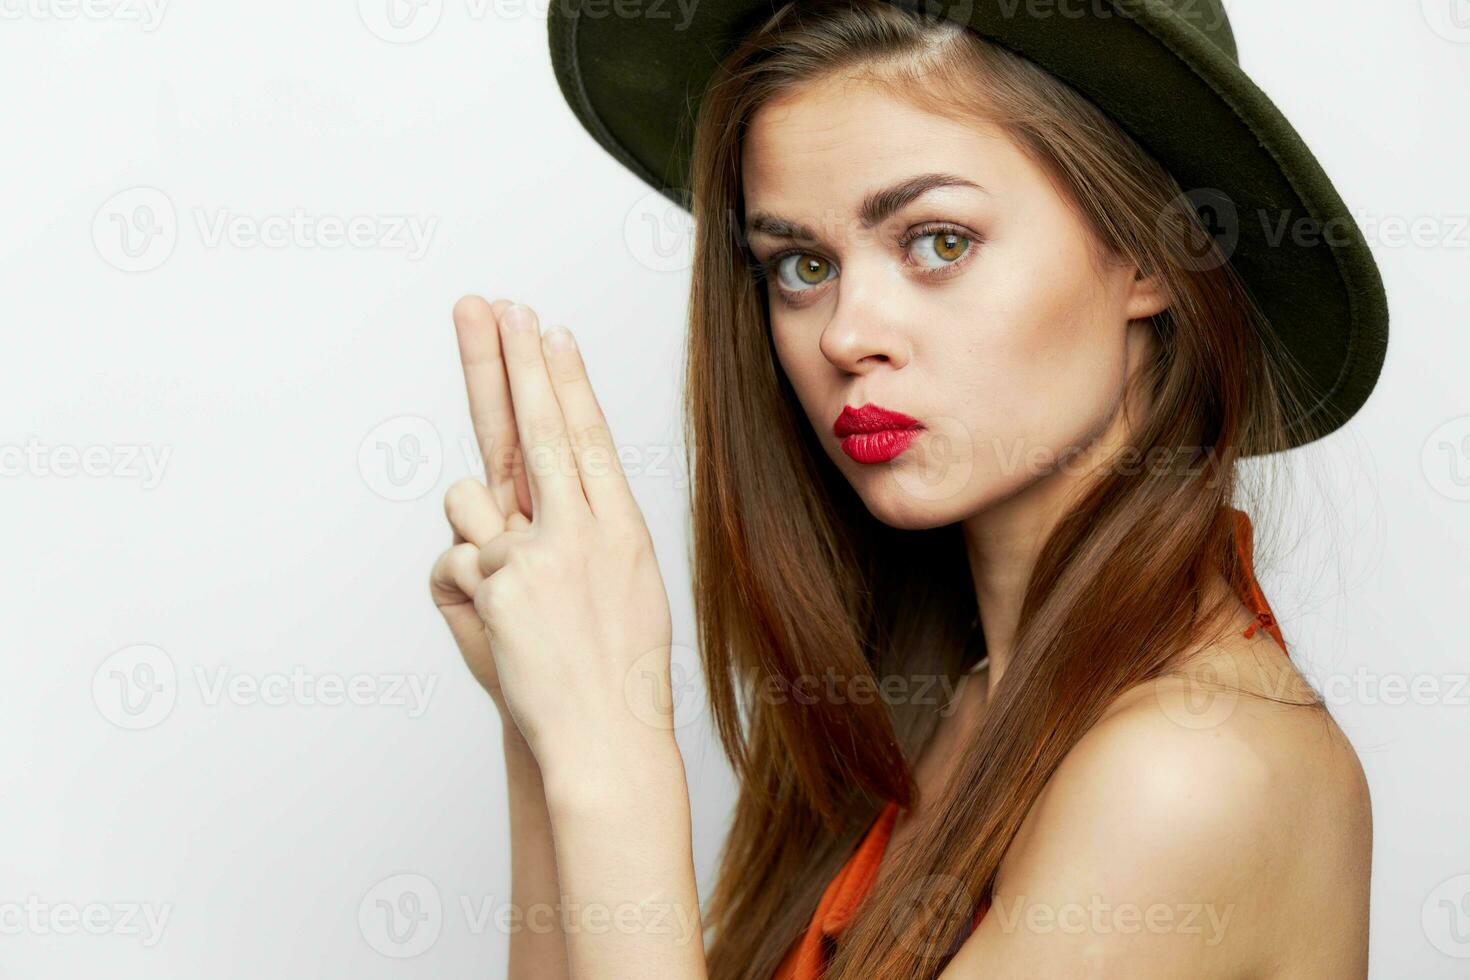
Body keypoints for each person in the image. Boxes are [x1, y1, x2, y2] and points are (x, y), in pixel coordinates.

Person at [431, 1, 1387, 976]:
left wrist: (612, 755)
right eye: (802, 266)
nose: (847, 333)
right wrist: (545, 726)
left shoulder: (1190, 772)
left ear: (1149, 251)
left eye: (937, 241)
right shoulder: (935, 707)